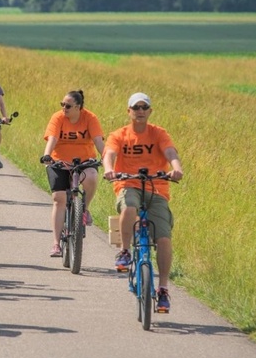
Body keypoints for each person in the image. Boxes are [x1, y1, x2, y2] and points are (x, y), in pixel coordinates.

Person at [102, 92, 184, 313]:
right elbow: (109, 153)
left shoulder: (158, 133)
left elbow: (170, 152)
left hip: (157, 187)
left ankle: (164, 288)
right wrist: (109, 170)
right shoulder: (119, 134)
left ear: (150, 111)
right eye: (135, 107)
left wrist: (176, 168)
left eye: (144, 107)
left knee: (164, 238)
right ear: (128, 111)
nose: (139, 111)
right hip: (128, 183)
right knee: (129, 206)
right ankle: (125, 251)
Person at [39, 90, 105, 257]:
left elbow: (98, 140)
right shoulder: (58, 118)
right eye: (62, 104)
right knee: (59, 199)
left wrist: (106, 158)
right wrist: (47, 155)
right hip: (59, 161)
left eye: (67, 106)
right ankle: (56, 244)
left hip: (84, 161)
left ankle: (84, 209)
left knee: (91, 176)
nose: (64, 108)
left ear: (78, 107)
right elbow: (52, 138)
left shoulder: (90, 118)